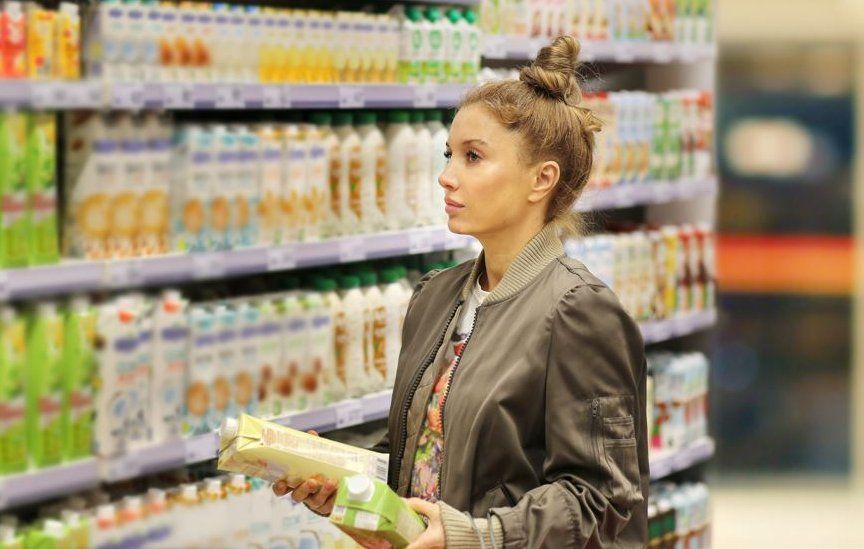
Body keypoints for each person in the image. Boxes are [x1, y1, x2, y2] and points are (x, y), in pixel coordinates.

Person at [274, 35, 649, 548]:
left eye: (473, 157)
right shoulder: (435, 297)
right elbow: (419, 461)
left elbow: (603, 501)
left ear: (541, 179)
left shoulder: (579, 312)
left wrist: (474, 537)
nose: (446, 177)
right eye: (449, 154)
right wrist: (341, 486)